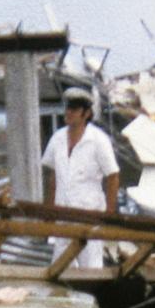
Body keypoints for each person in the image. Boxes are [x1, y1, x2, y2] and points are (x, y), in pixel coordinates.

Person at [41, 87, 120, 268]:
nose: (68, 113)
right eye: (67, 108)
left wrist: (109, 214)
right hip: (62, 217)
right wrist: (49, 211)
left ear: (86, 114)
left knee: (90, 270)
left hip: (89, 218)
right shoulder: (57, 139)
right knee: (60, 270)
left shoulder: (98, 140)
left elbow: (113, 176)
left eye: (74, 109)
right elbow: (52, 177)